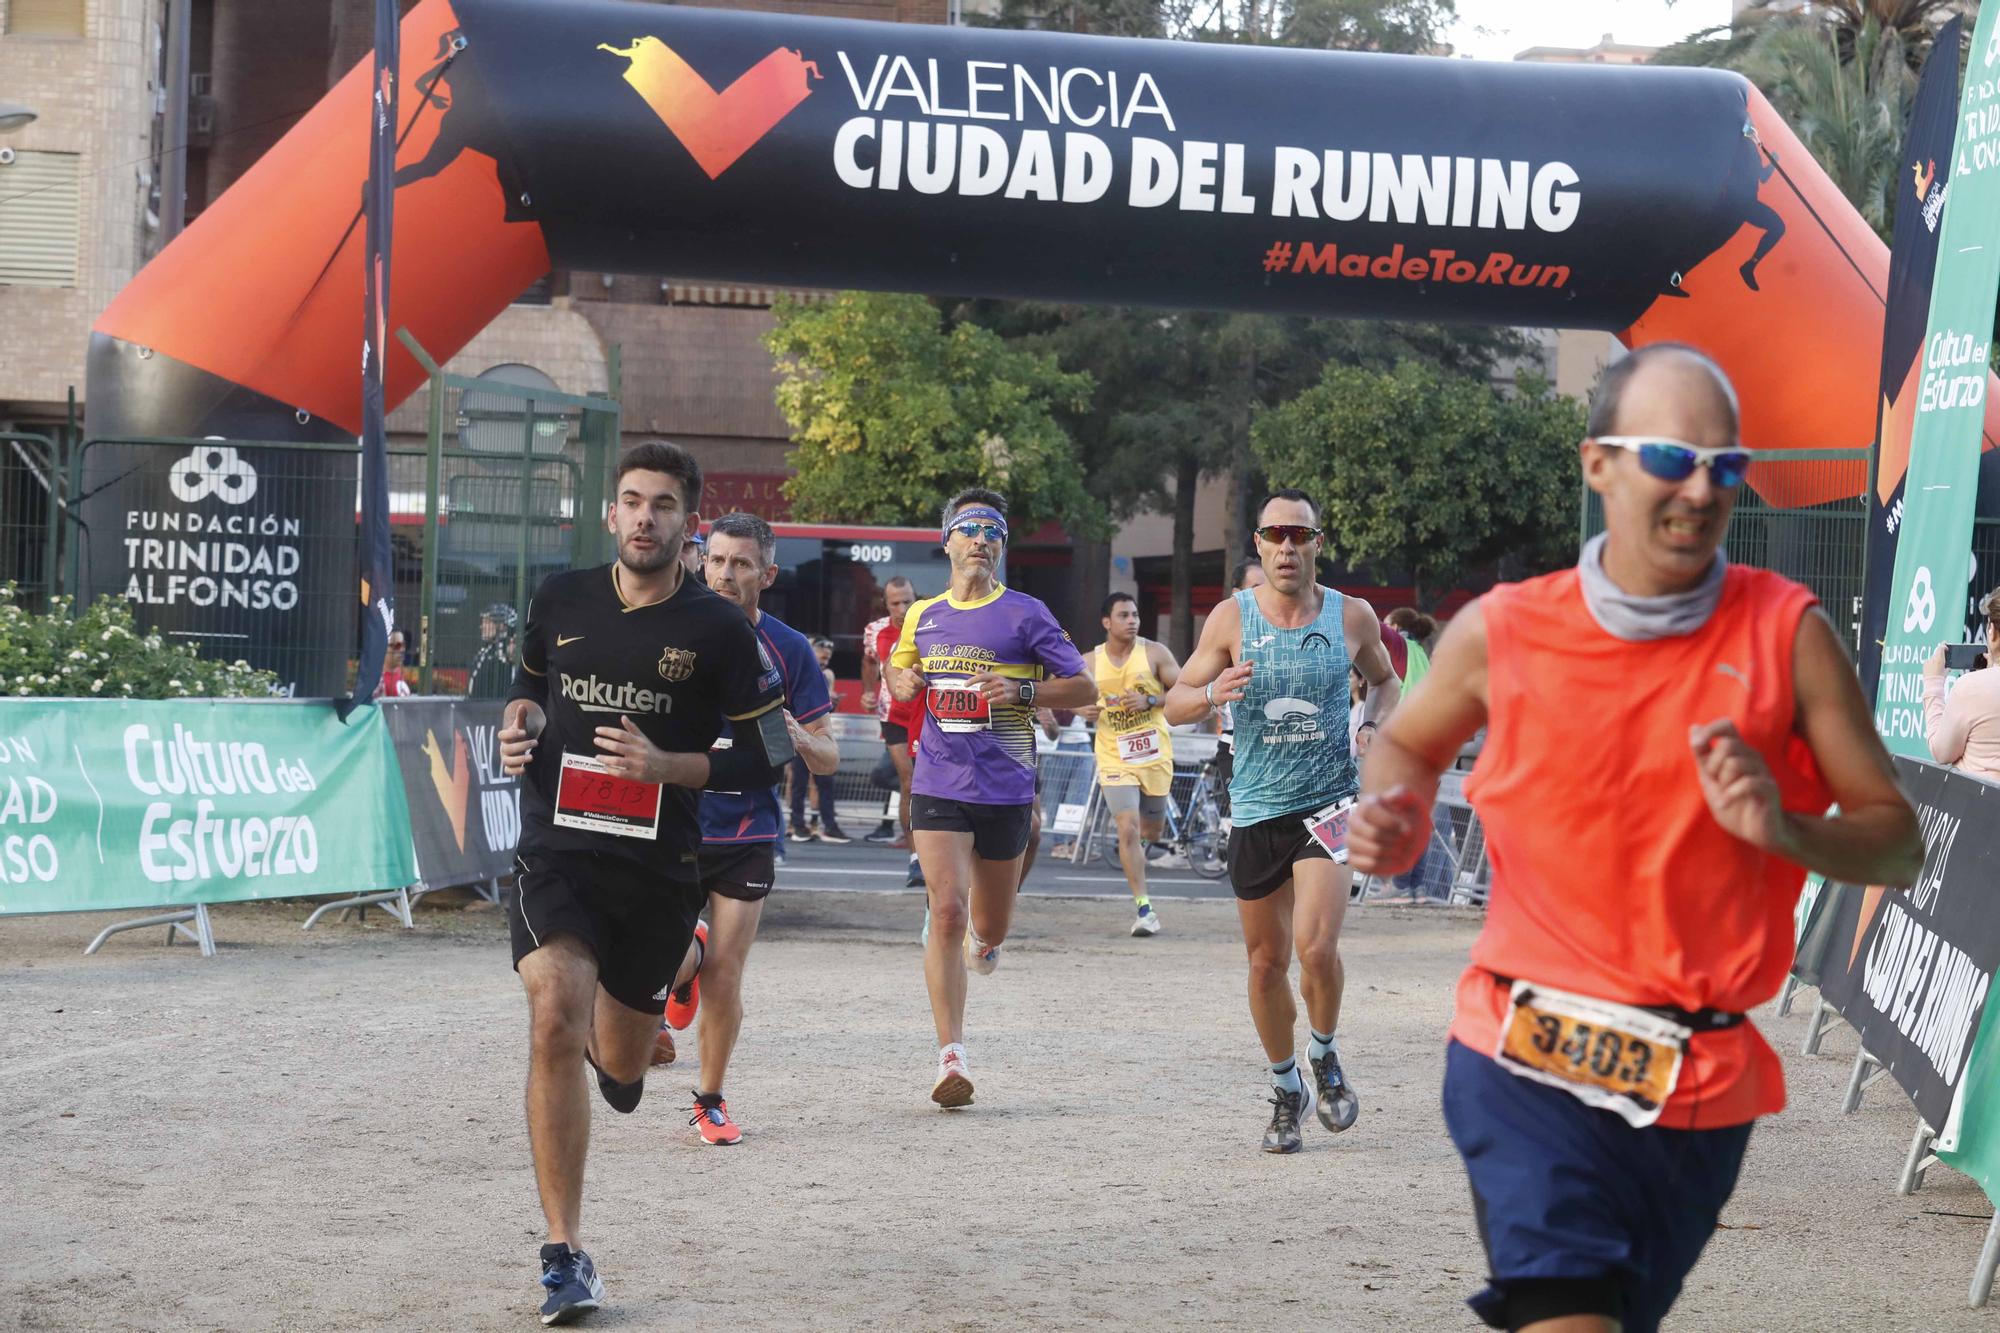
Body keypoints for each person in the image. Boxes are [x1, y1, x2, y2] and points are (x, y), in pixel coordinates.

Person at [1348, 343, 1923, 1333]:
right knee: (1565, 1309)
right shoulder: (1501, 631)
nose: (1700, 490)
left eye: (1724, 466)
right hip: (1522, 1053)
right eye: (1668, 458)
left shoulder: (1785, 633)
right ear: (1597, 465)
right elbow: (1403, 743)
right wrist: (1392, 820)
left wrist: (1785, 829)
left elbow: (1896, 843)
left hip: (1697, 1087)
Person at [497, 442, 795, 1325]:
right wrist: (520, 722)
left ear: (686, 522)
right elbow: (529, 693)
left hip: (659, 869)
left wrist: (670, 763)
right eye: (630, 501)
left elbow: (771, 753)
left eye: (662, 505)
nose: (643, 518)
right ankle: (565, 1252)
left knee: (621, 1070)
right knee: (553, 1009)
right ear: (610, 513)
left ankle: (635, 1029)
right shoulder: (562, 600)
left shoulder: (718, 629)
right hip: (557, 848)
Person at [1164, 489, 1398, 1153]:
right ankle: (1286, 1085)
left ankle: (1323, 1054)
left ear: (1318, 543)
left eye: (1301, 535)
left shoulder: (1352, 616)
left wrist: (1374, 723)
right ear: (1260, 546)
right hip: (1258, 807)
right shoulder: (1231, 618)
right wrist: (1211, 692)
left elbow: (1386, 679)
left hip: (1330, 802)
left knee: (1315, 948)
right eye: (1276, 536)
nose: (1288, 547)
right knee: (1266, 963)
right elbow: (1174, 701)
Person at [886, 487, 1097, 1107]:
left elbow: (1081, 686)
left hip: (1005, 786)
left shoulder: (1025, 613)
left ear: (1001, 548)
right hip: (938, 782)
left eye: (992, 532)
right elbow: (901, 676)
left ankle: (986, 940)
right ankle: (951, 1055)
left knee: (987, 924)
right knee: (945, 913)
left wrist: (1020, 692)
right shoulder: (922, 615)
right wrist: (901, 677)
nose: (981, 539)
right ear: (947, 541)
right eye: (969, 528)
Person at [658, 512, 841, 1146]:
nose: (726, 575)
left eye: (741, 564)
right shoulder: (671, 633)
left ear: (768, 573)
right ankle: (679, 971)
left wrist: (797, 736)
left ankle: (708, 1099)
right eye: (716, 561)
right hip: (674, 823)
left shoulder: (789, 650)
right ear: (699, 563)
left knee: (727, 973)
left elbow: (829, 755)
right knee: (671, 956)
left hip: (747, 828)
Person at [1081, 591, 1180, 936]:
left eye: (1135, 614)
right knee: (1127, 826)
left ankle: (1135, 852)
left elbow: (1185, 691)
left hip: (1153, 756)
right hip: (1114, 755)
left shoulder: (1154, 653)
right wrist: (1081, 708)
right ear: (1106, 622)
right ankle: (1144, 908)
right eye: (1123, 615)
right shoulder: (1090, 662)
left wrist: (1150, 699)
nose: (1132, 620)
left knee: (1150, 831)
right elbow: (1064, 690)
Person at [862, 578, 925, 886]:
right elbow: (869, 661)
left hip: (927, 713)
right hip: (893, 715)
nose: (902, 608)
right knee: (909, 782)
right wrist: (867, 691)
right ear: (886, 605)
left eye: (907, 601)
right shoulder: (875, 631)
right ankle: (915, 859)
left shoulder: (931, 622)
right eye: (896, 603)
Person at [1924, 588, 2000, 784]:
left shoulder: (1970, 688)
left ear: (1992, 632)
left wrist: (1933, 684)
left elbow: (1941, 752)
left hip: (1981, 808)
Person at [1211, 560, 1266, 826]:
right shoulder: (1222, 634)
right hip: (1234, 744)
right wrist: (1211, 693)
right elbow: (1182, 696)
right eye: (1257, 588)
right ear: (1237, 594)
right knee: (1244, 817)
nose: (1266, 594)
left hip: (1279, 746)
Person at [786, 641, 851, 843]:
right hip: (798, 731)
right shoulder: (796, 670)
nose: (825, 659)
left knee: (824, 781)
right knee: (797, 781)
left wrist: (832, 701)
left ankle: (825, 824)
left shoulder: (827, 674)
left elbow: (825, 708)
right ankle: (797, 824)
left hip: (817, 733)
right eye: (822, 655)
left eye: (828, 657)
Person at [468, 603, 519, 700]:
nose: (482, 626)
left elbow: (510, 655)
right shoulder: (486, 649)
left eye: (487, 622)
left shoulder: (506, 646)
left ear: (502, 626)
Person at [1384, 607, 1435, 695]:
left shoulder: (1400, 644)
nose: (1385, 627)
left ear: (1395, 627)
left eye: (1386, 625)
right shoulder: (1419, 651)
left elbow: (1377, 628)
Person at [381, 629, 413, 698]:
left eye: (403, 645)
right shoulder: (379, 681)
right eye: (397, 646)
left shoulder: (400, 672)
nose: (402, 649)